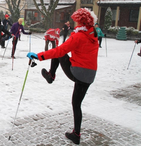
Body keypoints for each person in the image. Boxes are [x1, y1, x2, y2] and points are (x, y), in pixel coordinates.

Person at [27, 8, 99, 145]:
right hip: (90, 75)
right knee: (76, 105)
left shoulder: (78, 36)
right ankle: (76, 134)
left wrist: (39, 56)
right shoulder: (93, 35)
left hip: (77, 72)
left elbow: (60, 50)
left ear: (80, 21)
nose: (74, 23)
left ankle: (51, 75)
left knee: (59, 53)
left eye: (76, 20)